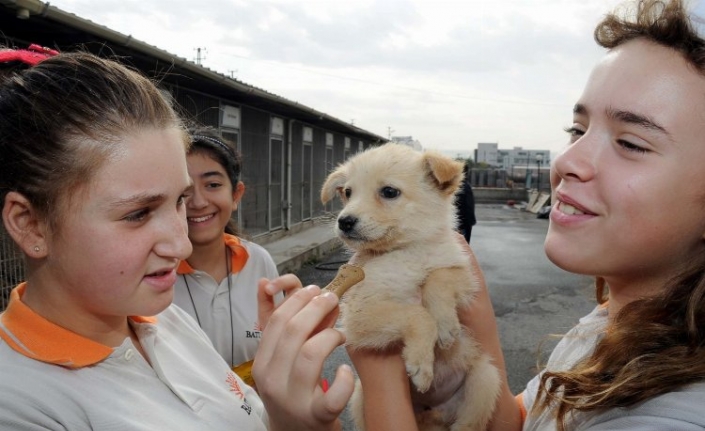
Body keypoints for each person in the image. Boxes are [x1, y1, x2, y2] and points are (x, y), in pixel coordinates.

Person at [311, 0, 705, 429]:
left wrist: (364, 378)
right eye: (577, 130)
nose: (568, 159)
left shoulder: (670, 418)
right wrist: (479, 334)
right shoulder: (607, 326)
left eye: (631, 142)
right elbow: (519, 422)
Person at [0, 48, 354, 430]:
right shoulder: (19, 404)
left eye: (178, 201)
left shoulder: (164, 319)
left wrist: (293, 409)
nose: (182, 246)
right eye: (137, 214)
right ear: (31, 225)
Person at [173, 128, 280, 385]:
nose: (197, 202)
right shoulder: (150, 273)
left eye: (213, 185)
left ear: (235, 195)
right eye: (184, 189)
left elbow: (280, 349)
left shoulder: (259, 261)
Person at [455, 163, 477, 243]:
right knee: (464, 246)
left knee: (462, 247)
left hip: (463, 224)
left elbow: (465, 207)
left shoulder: (461, 186)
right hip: (465, 223)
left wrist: (460, 225)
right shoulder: (465, 185)